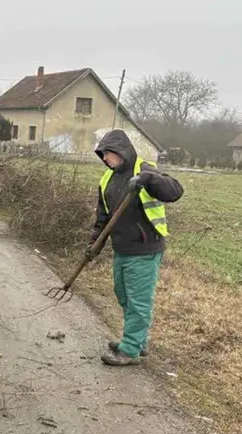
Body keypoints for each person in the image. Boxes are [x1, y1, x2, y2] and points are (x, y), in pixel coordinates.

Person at [89, 129, 184, 366]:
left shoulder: (144, 170)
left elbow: (175, 190)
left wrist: (148, 180)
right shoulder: (107, 180)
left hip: (145, 248)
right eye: (103, 156)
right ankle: (138, 340)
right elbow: (103, 218)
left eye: (108, 155)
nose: (106, 160)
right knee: (124, 295)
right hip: (122, 249)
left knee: (139, 300)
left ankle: (129, 350)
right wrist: (94, 244)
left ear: (122, 152)